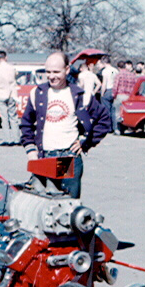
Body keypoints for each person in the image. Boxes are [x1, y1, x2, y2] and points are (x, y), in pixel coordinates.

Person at [20, 52, 111, 198]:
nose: (51, 76)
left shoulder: (79, 95)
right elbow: (26, 124)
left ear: (67, 70)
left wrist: (85, 142)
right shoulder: (37, 93)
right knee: (42, 204)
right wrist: (30, 150)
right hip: (44, 157)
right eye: (48, 72)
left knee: (66, 206)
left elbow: (104, 119)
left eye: (56, 72)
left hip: (67, 157)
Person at [111, 60, 137, 135]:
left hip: (120, 95)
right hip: (129, 96)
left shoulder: (118, 75)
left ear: (118, 67)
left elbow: (115, 86)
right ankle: (128, 128)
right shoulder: (132, 75)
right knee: (126, 113)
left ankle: (118, 130)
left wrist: (114, 95)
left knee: (117, 113)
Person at [98, 55, 118, 133]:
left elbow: (104, 83)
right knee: (113, 110)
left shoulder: (105, 71)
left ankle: (108, 127)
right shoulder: (115, 70)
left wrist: (102, 93)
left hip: (108, 90)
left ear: (104, 63)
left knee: (106, 110)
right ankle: (115, 127)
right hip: (114, 90)